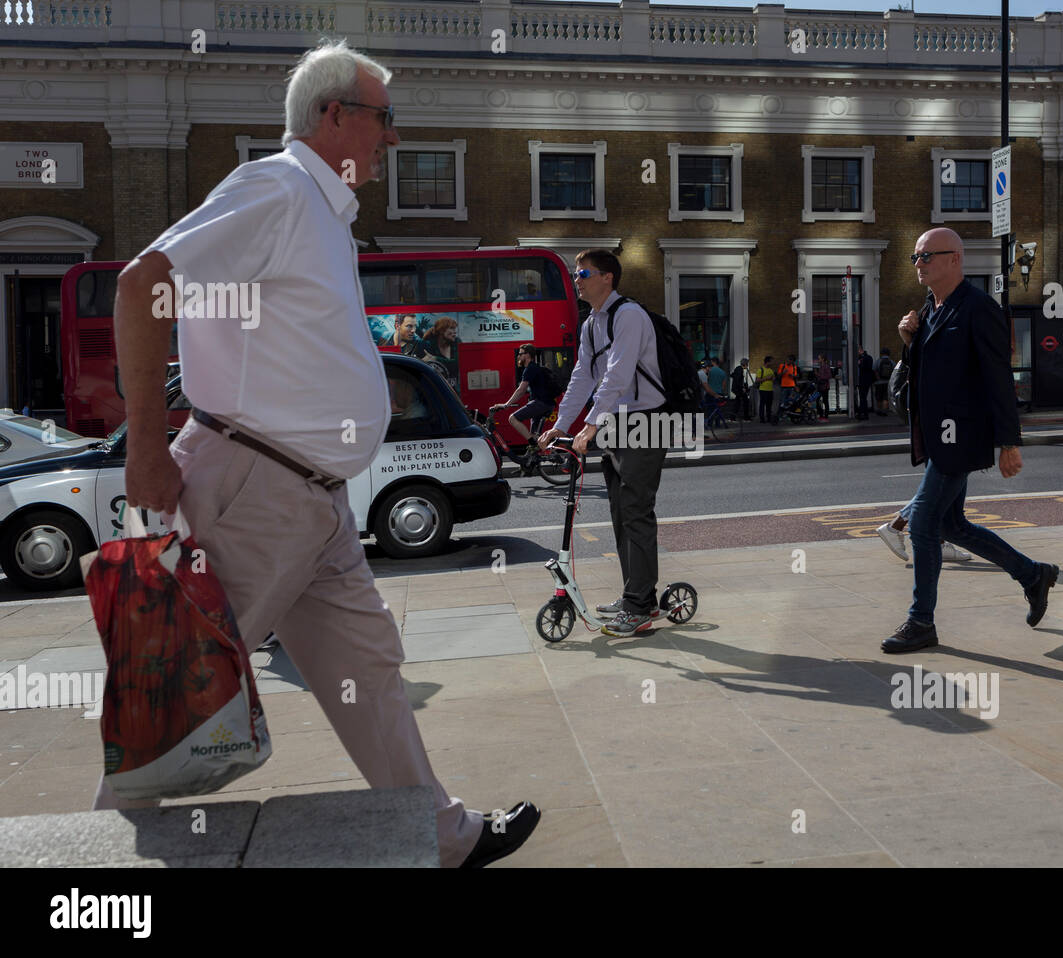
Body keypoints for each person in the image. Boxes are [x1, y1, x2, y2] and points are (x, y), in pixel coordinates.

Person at [107, 39, 538, 867]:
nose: (395, 139)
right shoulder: (276, 188)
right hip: (255, 491)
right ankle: (94, 867)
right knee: (182, 699)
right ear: (334, 115)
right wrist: (148, 445)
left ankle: (444, 837)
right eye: (384, 119)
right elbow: (141, 284)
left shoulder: (323, 214)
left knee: (369, 667)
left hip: (314, 501)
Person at [883, 227, 1059, 653]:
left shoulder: (979, 309)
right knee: (950, 524)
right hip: (936, 434)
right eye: (916, 257)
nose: (918, 264)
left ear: (954, 260)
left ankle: (920, 621)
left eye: (926, 257)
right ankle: (1032, 574)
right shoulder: (930, 308)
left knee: (924, 525)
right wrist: (909, 342)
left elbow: (999, 378)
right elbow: (928, 369)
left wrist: (1009, 443)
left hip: (960, 434)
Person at [540, 248, 667, 638]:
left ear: (607, 277)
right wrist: (561, 425)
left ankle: (640, 607)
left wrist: (590, 426)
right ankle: (636, 595)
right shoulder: (592, 323)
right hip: (616, 421)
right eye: (577, 273)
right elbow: (582, 377)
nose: (577, 279)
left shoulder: (628, 315)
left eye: (583, 272)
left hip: (645, 420)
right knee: (619, 511)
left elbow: (617, 375)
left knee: (636, 511)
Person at [490, 344, 556, 444]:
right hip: (546, 404)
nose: (518, 356)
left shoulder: (530, 369)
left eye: (520, 354)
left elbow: (521, 390)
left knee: (513, 418)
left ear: (527, 355)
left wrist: (506, 404)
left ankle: (532, 443)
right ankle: (540, 451)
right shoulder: (535, 367)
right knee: (535, 436)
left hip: (541, 403)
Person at [429, 316, 459, 392]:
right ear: (441, 330)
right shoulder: (429, 345)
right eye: (452, 328)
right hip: (436, 392)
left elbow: (457, 363)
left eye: (455, 329)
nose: (455, 332)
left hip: (455, 393)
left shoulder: (457, 343)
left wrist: (435, 359)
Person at [776, 355, 799, 420]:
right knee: (782, 402)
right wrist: (783, 373)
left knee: (790, 402)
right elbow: (778, 376)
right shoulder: (782, 366)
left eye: (791, 360)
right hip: (784, 387)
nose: (789, 361)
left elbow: (796, 376)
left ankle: (788, 415)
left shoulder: (794, 367)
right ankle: (780, 416)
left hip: (792, 386)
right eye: (789, 359)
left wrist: (793, 376)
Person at [874, 348, 894, 415]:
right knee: (885, 397)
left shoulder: (878, 361)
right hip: (888, 383)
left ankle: (879, 411)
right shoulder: (891, 362)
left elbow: (874, 370)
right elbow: (894, 372)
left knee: (879, 397)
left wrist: (878, 378)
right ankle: (884, 411)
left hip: (879, 382)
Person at [756, 356, 776, 423]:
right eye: (772, 361)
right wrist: (766, 378)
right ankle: (762, 419)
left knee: (769, 405)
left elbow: (773, 379)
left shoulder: (770, 370)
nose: (773, 363)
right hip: (763, 390)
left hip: (770, 390)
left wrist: (772, 378)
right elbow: (758, 380)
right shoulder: (760, 370)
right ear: (768, 362)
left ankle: (769, 418)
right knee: (762, 404)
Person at [856, 346, 875, 420]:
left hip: (863, 380)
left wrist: (859, 364)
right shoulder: (869, 357)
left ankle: (863, 414)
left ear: (860, 350)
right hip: (867, 381)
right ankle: (862, 413)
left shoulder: (863, 358)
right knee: (863, 397)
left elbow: (864, 368)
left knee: (862, 397)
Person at [814, 354, 832, 420]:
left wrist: (818, 375)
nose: (818, 360)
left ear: (823, 359)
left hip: (825, 387)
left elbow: (829, 376)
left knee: (825, 401)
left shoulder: (826, 366)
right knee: (817, 400)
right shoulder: (821, 367)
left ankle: (826, 415)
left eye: (819, 359)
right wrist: (817, 375)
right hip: (820, 386)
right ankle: (821, 414)